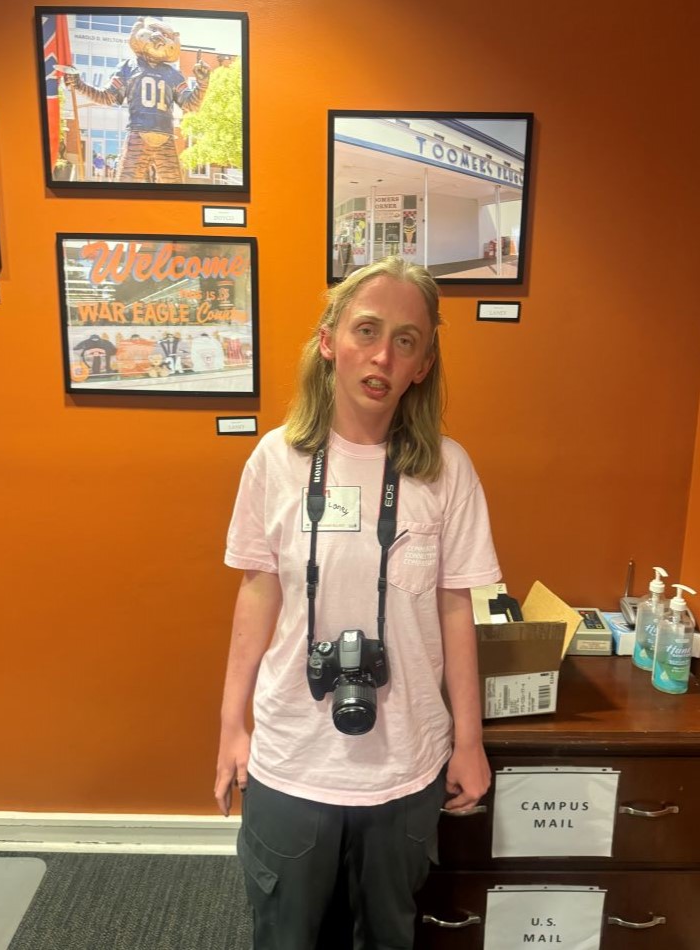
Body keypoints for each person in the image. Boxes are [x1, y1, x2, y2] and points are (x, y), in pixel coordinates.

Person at [215, 256, 501, 950]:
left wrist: (469, 741)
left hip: (405, 760)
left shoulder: (447, 471)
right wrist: (231, 725)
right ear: (328, 341)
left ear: (424, 363)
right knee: (287, 933)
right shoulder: (275, 460)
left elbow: (455, 609)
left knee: (388, 932)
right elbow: (258, 592)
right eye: (366, 330)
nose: (382, 355)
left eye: (406, 339)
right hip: (293, 756)